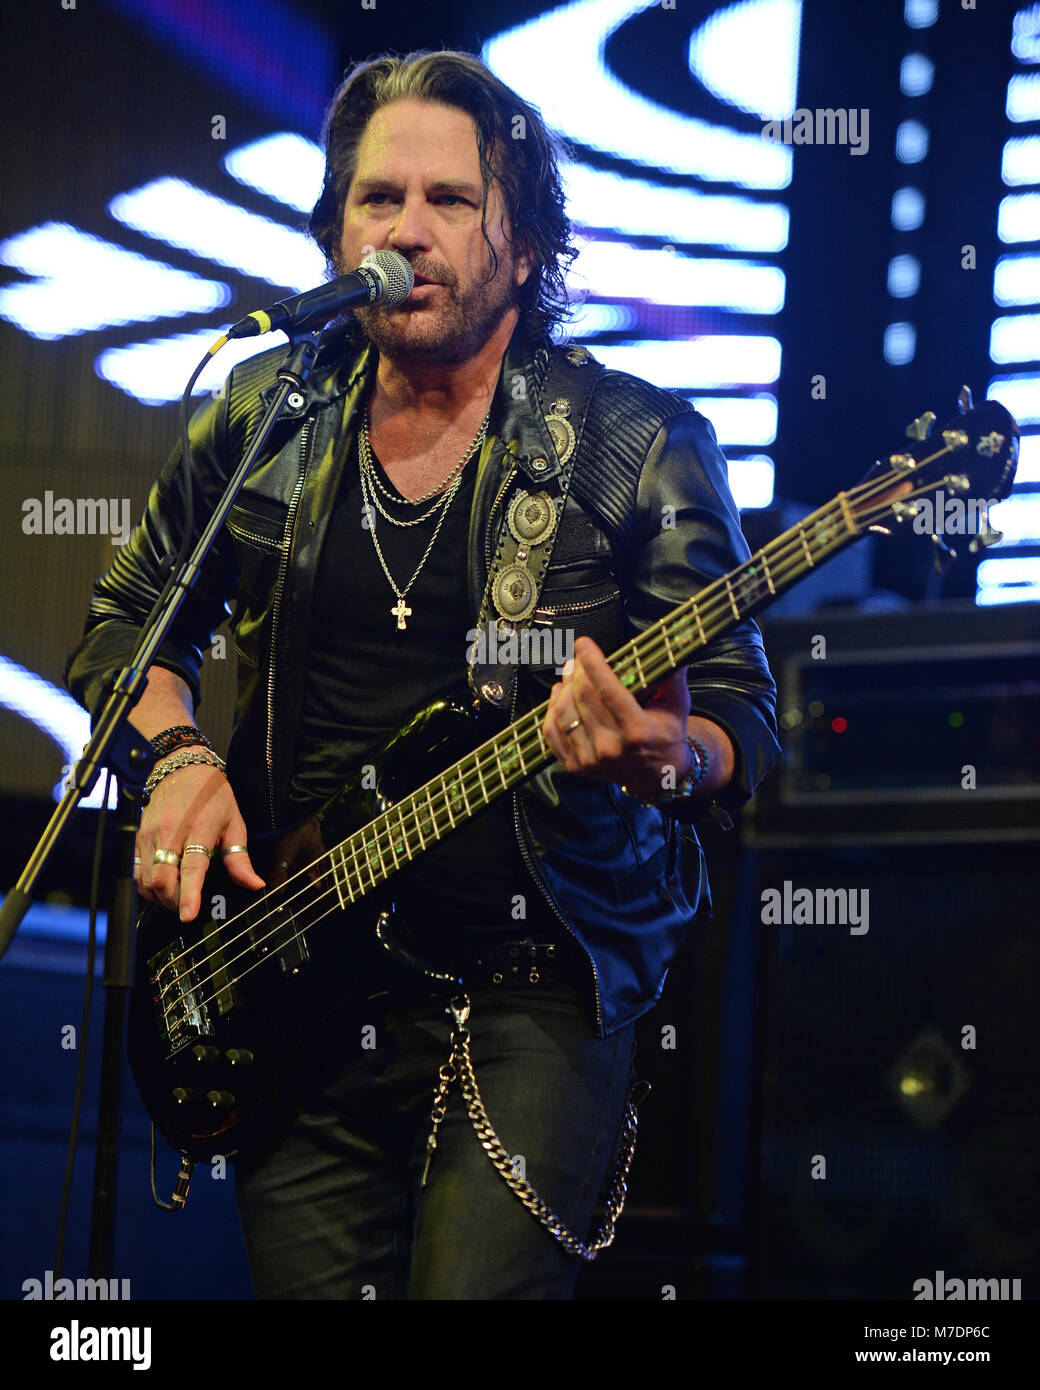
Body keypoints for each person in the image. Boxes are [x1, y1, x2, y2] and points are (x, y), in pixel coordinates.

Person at [65, 50, 779, 1300]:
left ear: (525, 236)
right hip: (284, 970)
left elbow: (738, 713)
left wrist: (668, 752)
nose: (408, 228)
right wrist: (176, 756)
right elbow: (131, 624)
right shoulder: (264, 415)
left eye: (450, 199)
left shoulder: (634, 441)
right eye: (377, 198)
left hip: (530, 987)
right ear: (336, 226)